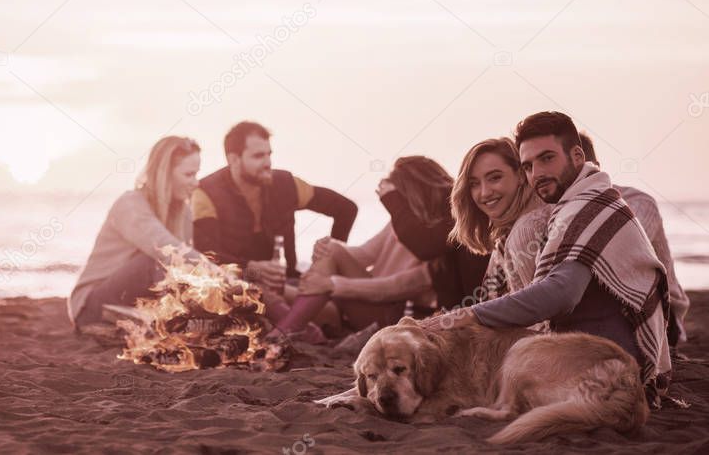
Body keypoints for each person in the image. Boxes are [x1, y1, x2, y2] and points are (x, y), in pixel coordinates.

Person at [435, 112, 671, 404]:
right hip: (590, 356)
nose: (538, 173)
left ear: (576, 155)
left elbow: (560, 295)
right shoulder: (574, 206)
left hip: (603, 365)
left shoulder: (582, 208)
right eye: (529, 165)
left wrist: (469, 314)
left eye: (547, 159)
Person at [272, 156, 488, 337]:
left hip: (391, 315)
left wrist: (333, 284)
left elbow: (398, 286)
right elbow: (364, 255)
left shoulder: (439, 233)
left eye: (400, 196)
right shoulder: (402, 223)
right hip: (362, 300)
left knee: (322, 270)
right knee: (268, 288)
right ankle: (297, 330)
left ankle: (285, 333)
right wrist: (330, 246)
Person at [191, 121, 357, 293]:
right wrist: (250, 268)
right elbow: (204, 255)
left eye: (269, 154)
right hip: (236, 289)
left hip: (291, 283)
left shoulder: (286, 183)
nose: (268, 162)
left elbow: (346, 209)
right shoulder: (205, 193)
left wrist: (327, 261)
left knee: (336, 305)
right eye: (258, 156)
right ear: (233, 159)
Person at [70, 136, 203, 327]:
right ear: (164, 174)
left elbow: (186, 268)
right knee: (158, 261)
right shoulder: (130, 204)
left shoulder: (183, 212)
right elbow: (167, 248)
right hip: (91, 306)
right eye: (189, 175)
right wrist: (221, 275)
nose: (196, 183)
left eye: (197, 174)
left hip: (134, 301)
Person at [579, 132, 689, 344]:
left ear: (597, 168)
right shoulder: (561, 209)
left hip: (662, 312)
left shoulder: (637, 202)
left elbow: (619, 251)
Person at [450, 137, 550, 302]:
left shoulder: (529, 227)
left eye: (495, 178)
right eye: (474, 184)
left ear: (520, 175)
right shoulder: (509, 232)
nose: (484, 193)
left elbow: (538, 315)